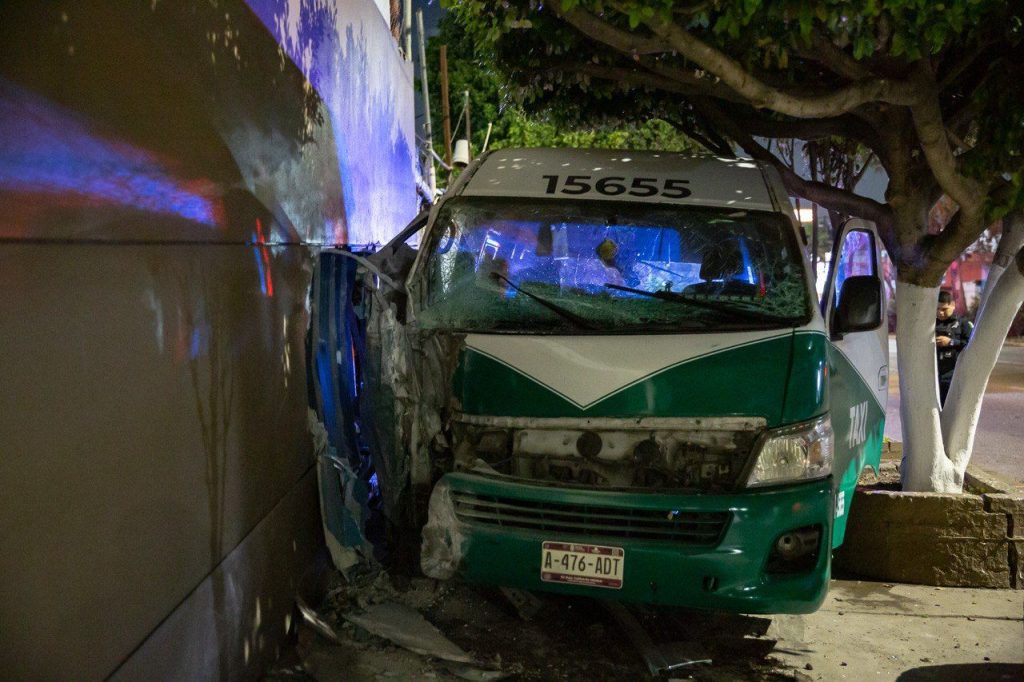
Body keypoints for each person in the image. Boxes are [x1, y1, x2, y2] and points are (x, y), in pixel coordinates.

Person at [935, 290, 973, 405]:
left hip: (953, 375)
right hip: (933, 375)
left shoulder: (963, 324)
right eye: (937, 309)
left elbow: (970, 345)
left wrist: (950, 342)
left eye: (944, 309)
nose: (940, 313)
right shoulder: (930, 323)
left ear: (952, 305)